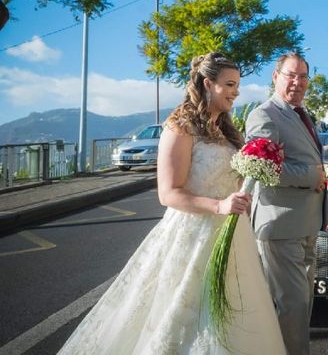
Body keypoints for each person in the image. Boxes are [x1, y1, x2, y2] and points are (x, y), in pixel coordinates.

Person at [59, 52, 286, 354]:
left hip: (233, 235)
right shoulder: (180, 126)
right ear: (208, 83)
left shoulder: (229, 131)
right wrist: (218, 206)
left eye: (238, 85)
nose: (236, 91)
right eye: (229, 84)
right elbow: (168, 193)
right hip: (193, 234)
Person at [245, 52, 328, 355]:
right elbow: (259, 167)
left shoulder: (302, 113)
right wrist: (310, 176)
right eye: (290, 75)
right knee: (293, 307)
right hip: (280, 226)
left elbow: (315, 164)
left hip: (309, 223)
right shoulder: (264, 115)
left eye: (302, 77)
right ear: (275, 76)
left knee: (304, 304)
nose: (297, 82)